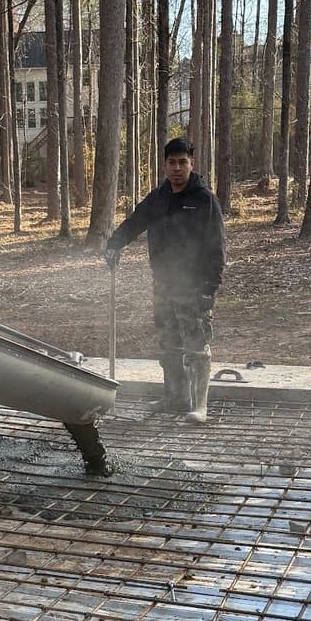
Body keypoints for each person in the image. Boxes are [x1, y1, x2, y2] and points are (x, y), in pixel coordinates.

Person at [104, 137, 226, 424]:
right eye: (171, 162)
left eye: (183, 162)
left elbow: (216, 247)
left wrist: (211, 287)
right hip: (164, 284)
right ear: (164, 165)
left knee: (196, 347)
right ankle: (175, 397)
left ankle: (199, 406)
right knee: (169, 344)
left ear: (191, 164)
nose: (177, 168)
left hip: (194, 287)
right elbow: (135, 222)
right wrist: (114, 244)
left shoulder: (204, 200)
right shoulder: (158, 198)